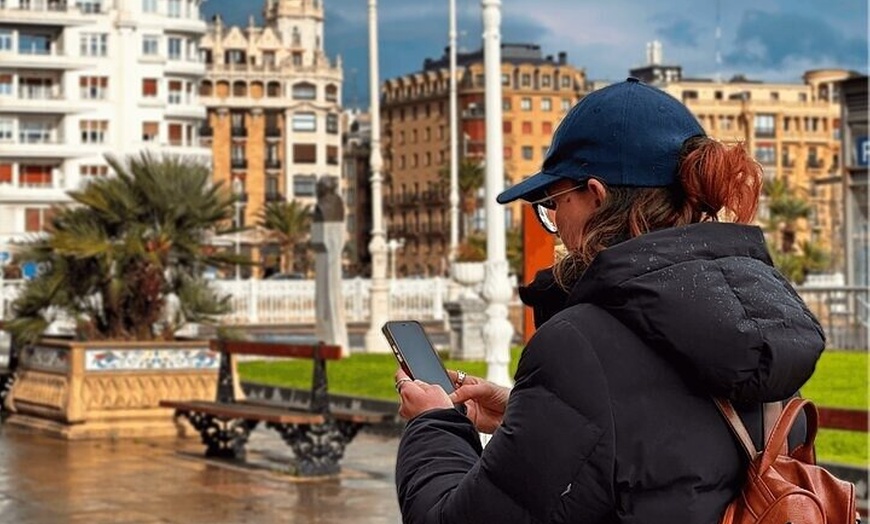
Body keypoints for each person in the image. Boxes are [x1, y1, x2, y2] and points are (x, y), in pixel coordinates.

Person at [392, 78, 825, 523]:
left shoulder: (579, 345)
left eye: (554, 202)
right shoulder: (760, 320)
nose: (555, 223)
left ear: (596, 197)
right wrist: (528, 417)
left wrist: (434, 424)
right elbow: (672, 451)